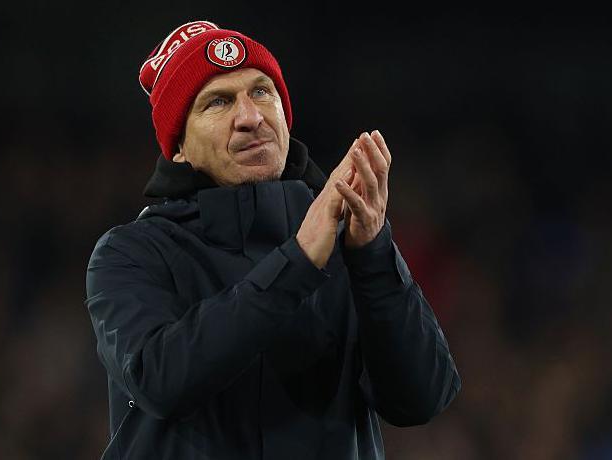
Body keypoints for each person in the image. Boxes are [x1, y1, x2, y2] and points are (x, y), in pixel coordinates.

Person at [85, 20, 460, 460]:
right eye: (218, 102)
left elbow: (421, 399)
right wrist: (298, 262)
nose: (250, 117)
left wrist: (374, 254)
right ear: (179, 148)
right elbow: (162, 380)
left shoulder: (346, 241)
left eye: (262, 92)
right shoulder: (130, 253)